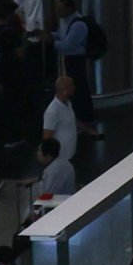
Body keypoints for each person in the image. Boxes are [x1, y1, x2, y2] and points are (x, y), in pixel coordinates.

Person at [33, 72, 83, 207]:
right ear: (65, 91)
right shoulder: (52, 111)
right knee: (56, 190)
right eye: (72, 86)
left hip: (68, 157)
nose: (74, 88)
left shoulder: (68, 104)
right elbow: (47, 136)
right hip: (60, 160)